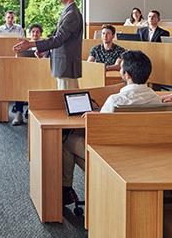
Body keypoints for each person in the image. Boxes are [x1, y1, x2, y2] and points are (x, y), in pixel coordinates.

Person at [61, 50, 160, 205]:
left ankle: (66, 189)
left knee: (67, 140)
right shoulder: (155, 99)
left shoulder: (116, 100)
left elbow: (99, 130)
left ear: (126, 75)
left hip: (112, 158)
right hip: (143, 156)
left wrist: (93, 115)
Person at [13, 0, 83, 89]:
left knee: (68, 98)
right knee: (67, 98)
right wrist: (46, 50)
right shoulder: (67, 12)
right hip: (63, 65)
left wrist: (31, 44)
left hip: (67, 65)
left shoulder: (72, 14)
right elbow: (62, 40)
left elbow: (59, 39)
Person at [9, 23, 45, 126]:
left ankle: (30, 112)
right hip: (24, 73)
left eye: (37, 32)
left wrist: (40, 57)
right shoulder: (24, 45)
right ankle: (18, 113)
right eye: (33, 32)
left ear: (41, 34)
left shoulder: (45, 45)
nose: (35, 34)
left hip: (40, 74)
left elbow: (46, 61)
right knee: (19, 84)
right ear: (29, 34)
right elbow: (17, 60)